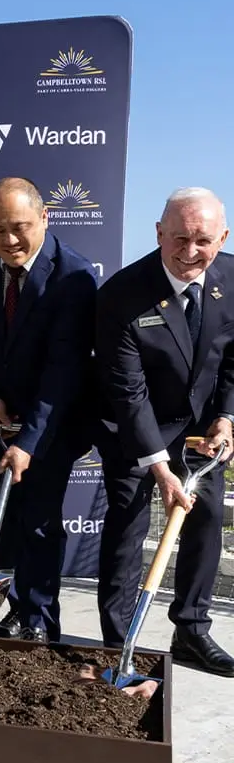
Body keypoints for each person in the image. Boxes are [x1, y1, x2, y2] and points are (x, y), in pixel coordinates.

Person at [0, 177, 97, 643]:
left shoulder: (74, 276)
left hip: (50, 425)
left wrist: (28, 441)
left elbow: (64, 369)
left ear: (45, 217)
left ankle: (40, 621)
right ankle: (17, 610)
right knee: (4, 520)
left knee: (38, 523)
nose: (8, 241)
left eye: (19, 228)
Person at [95, 187, 234, 676]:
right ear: (158, 233)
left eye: (203, 240)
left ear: (223, 236)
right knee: (127, 529)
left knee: (207, 517)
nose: (190, 252)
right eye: (179, 239)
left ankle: (192, 630)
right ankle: (119, 645)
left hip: (200, 433)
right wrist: (157, 465)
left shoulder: (233, 279)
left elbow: (232, 358)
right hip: (134, 428)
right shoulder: (120, 296)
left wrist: (227, 417)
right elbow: (127, 392)